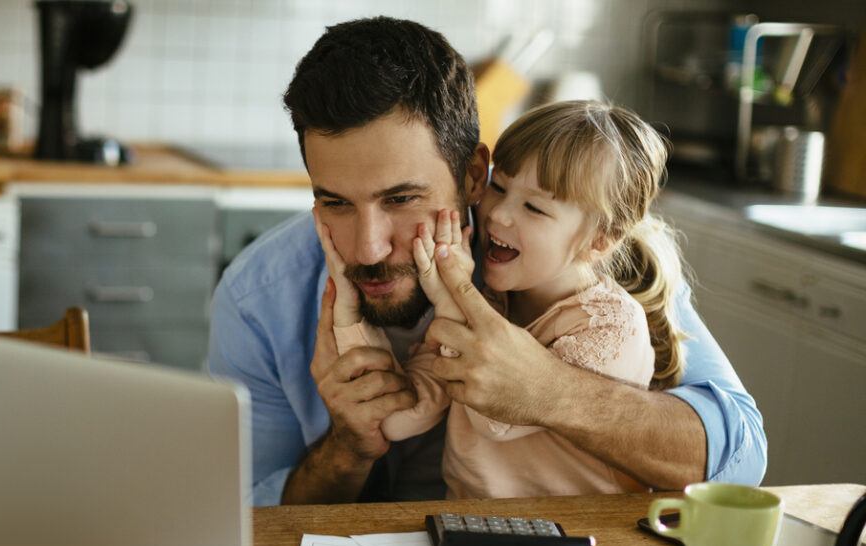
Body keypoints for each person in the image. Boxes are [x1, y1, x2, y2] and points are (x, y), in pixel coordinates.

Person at [207, 17, 766, 506]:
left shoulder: (579, 261)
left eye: (402, 200)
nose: (368, 249)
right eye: (335, 202)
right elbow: (247, 519)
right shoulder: (260, 297)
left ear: (476, 175)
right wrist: (349, 445)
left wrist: (549, 390)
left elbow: (739, 455)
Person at [323, 100, 688, 498]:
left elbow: (496, 417)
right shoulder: (493, 302)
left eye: (534, 207)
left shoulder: (611, 326)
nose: (498, 215)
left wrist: (450, 299)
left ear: (600, 240)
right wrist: (348, 315)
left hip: (579, 539)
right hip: (475, 531)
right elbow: (400, 420)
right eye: (499, 187)